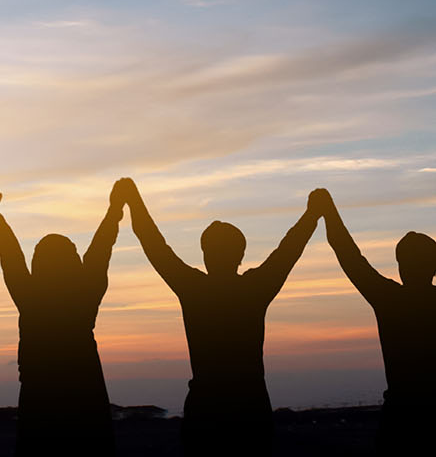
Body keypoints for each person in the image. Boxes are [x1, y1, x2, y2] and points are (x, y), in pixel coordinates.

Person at [129, 182, 316, 456]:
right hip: (250, 410)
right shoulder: (255, 287)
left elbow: (154, 245)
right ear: (241, 254)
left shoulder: (193, 287)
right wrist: (312, 214)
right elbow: (289, 248)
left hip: (206, 410)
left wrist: (133, 201)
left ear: (204, 253)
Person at [0, 182, 124, 457]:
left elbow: (9, 253)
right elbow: (102, 246)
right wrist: (115, 208)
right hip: (86, 394)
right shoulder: (85, 292)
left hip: (40, 396)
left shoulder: (30, 295)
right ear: (74, 262)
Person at [315, 188, 434, 456]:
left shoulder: (389, 299)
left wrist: (328, 211)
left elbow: (348, 255)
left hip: (401, 416)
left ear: (401, 266)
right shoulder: (391, 298)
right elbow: (349, 255)